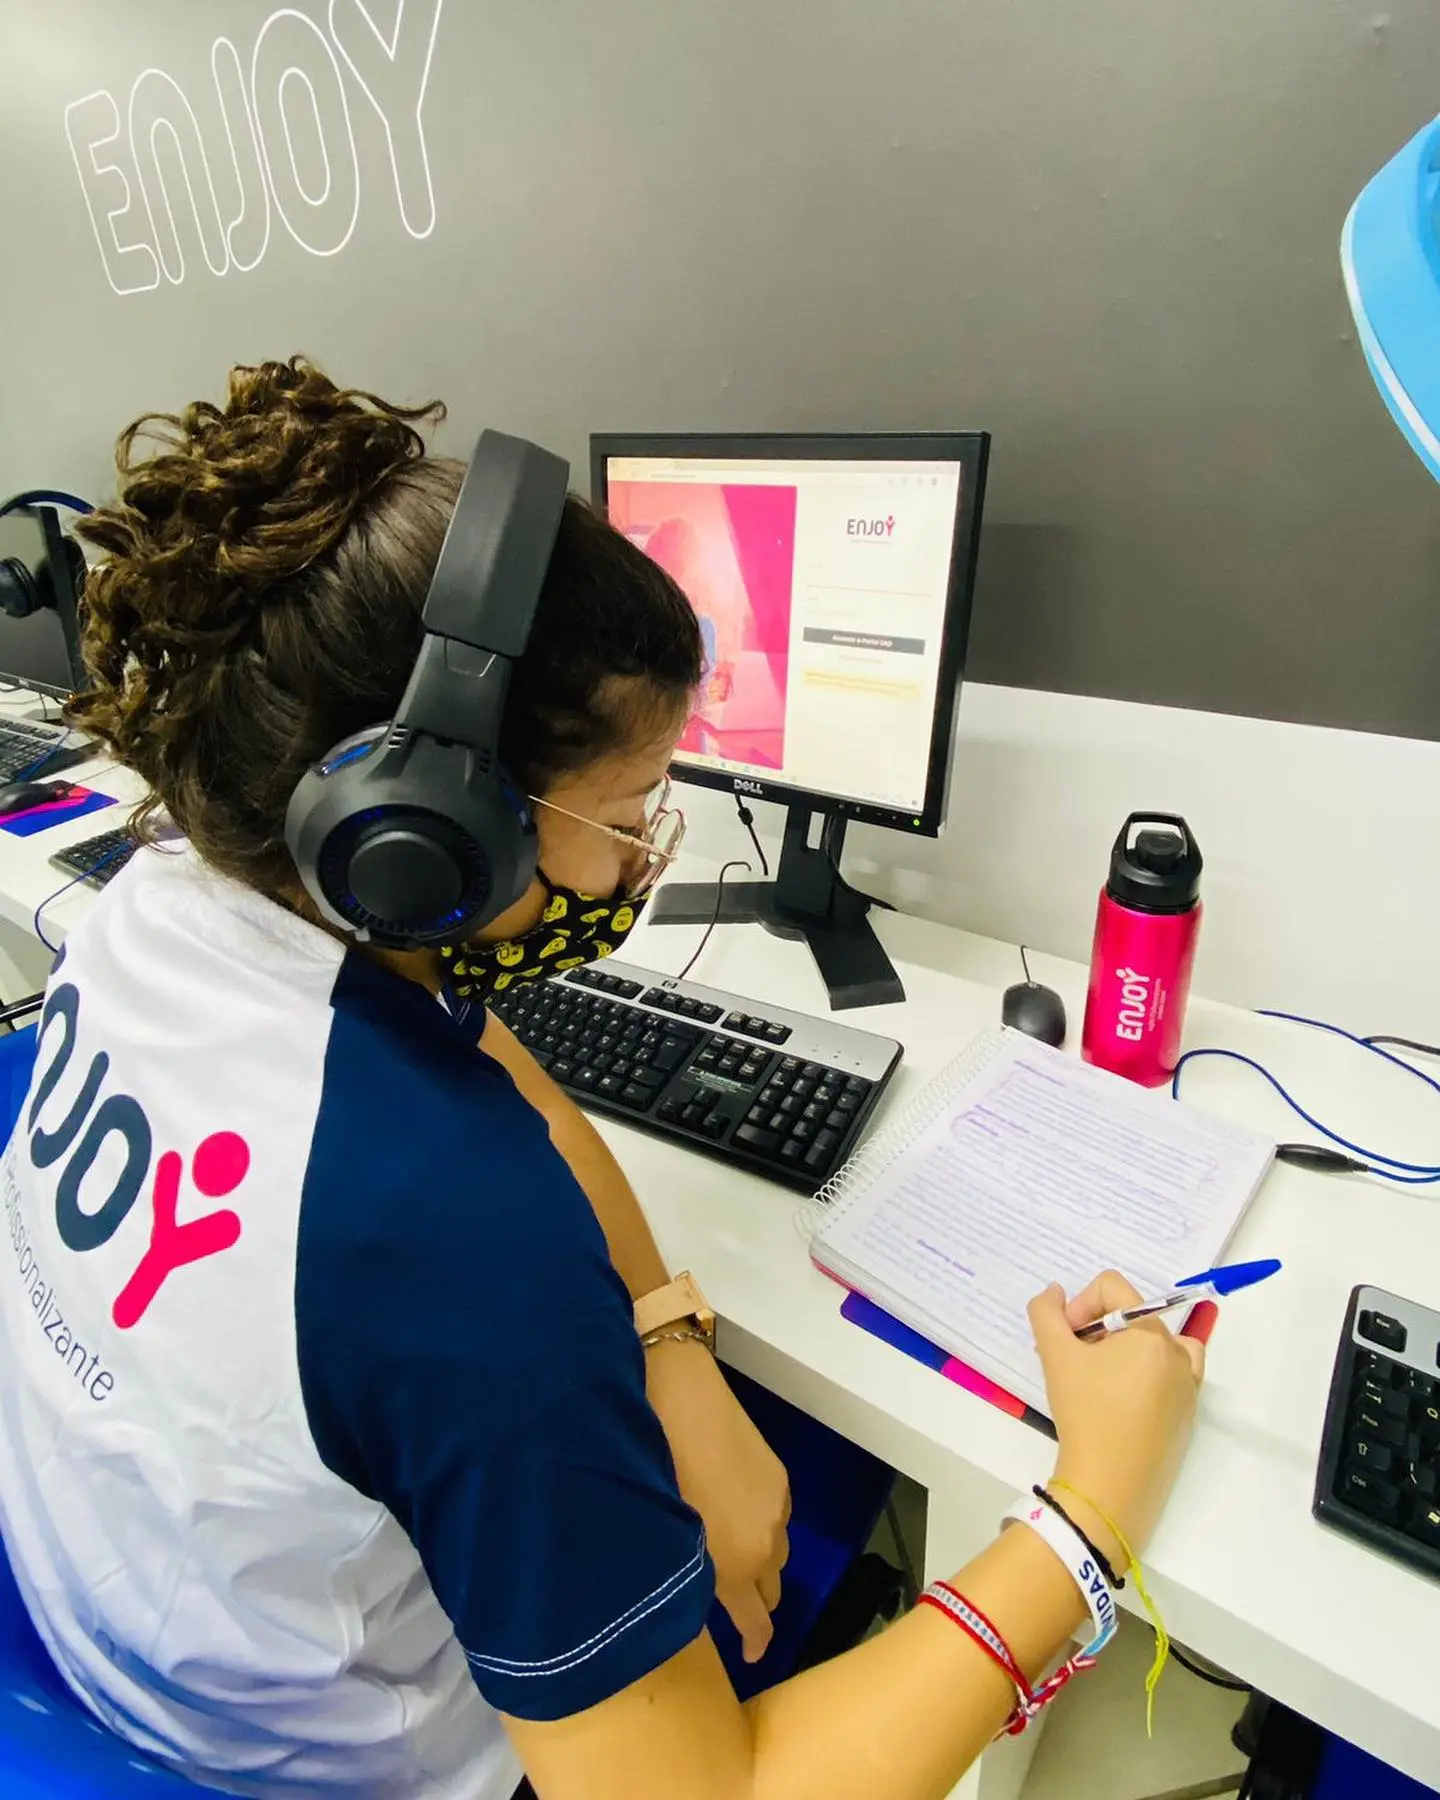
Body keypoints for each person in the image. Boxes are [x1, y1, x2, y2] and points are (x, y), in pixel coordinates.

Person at [0, 358, 1206, 1800]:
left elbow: (485, 1049)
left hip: (105, 1629)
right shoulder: (455, 1239)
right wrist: (1093, 1509)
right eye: (630, 811)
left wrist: (665, 1335)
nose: (643, 858)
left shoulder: (171, 895)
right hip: (318, 1762)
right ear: (423, 843)